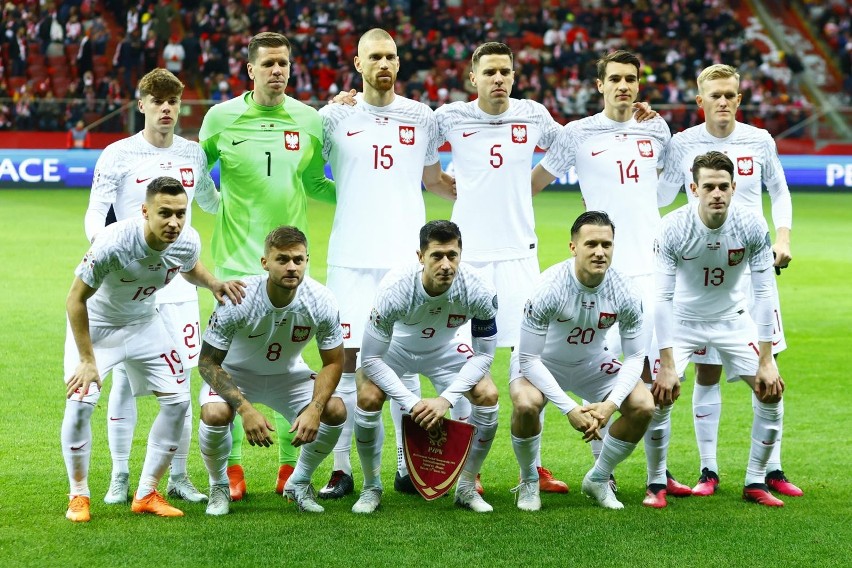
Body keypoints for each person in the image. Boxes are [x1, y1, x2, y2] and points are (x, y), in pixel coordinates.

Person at [530, 50, 690, 505]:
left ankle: (658, 478)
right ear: (599, 85)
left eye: (631, 78)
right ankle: (605, 472)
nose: (624, 85)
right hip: (601, 270)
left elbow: (664, 191)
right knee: (611, 372)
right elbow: (535, 182)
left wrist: (658, 131)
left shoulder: (656, 129)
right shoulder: (577, 133)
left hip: (651, 267)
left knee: (656, 375)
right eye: (615, 79)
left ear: (639, 84)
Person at [317, 28, 456, 500]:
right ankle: (341, 471)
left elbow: (435, 178)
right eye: (375, 56)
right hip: (350, 257)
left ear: (399, 63)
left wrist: (489, 187)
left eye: (391, 57)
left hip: (403, 259)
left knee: (405, 360)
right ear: (357, 63)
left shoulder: (422, 116)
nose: (384, 64)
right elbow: (312, 175)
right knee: (344, 360)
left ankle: (407, 465)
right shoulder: (332, 117)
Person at [198, 31, 336, 501]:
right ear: (251, 70)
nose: (278, 71)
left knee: (286, 359)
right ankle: (233, 470)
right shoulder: (220, 118)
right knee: (234, 362)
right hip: (237, 262)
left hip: (289, 263)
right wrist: (220, 209)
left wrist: (365, 198)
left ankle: (286, 466)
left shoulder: (308, 119)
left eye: (284, 63)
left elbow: (317, 183)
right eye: (269, 64)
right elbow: (199, 174)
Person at [62, 177, 244, 522]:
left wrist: (213, 283)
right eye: (164, 214)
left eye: (180, 214)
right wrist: (87, 358)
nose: (174, 222)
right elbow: (75, 299)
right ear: (145, 211)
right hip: (98, 328)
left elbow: (189, 267)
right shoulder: (112, 243)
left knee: (177, 401)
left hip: (145, 323)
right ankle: (79, 496)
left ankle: (147, 492)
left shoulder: (187, 239)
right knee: (80, 403)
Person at [657, 64, 800, 498]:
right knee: (706, 372)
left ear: (739, 98)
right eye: (715, 95)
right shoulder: (683, 144)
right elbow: (662, 195)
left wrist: (782, 236)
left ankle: (770, 470)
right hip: (700, 268)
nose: (723, 101)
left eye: (730, 94)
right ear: (701, 101)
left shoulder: (759, 140)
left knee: (769, 370)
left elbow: (780, 189)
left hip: (750, 262)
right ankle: (708, 469)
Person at [433, 41, 569, 494]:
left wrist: (529, 185)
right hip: (467, 260)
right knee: (466, 363)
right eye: (489, 71)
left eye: (505, 72)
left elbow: (567, 145)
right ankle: (470, 469)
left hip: (518, 256)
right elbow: (421, 157)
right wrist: (455, 190)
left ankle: (535, 466)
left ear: (514, 75)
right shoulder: (450, 117)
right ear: (473, 78)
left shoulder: (532, 114)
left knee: (530, 360)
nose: (498, 79)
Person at [86, 68, 219, 507]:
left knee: (179, 380)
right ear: (141, 104)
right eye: (156, 101)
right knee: (124, 381)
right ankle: (120, 475)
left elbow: (212, 203)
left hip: (178, 285)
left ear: (180, 106)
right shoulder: (117, 154)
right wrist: (108, 253)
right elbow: (95, 215)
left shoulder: (193, 154)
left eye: (173, 102)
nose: (166, 109)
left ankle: (176, 476)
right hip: (129, 287)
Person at [655, 151, 786, 507]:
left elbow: (763, 292)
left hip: (732, 320)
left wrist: (767, 356)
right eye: (709, 186)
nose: (716, 193)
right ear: (694, 188)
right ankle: (658, 482)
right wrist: (666, 363)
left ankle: (756, 480)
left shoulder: (751, 225)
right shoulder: (673, 226)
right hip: (682, 321)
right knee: (658, 394)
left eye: (723, 186)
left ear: (733, 187)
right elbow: (662, 298)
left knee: (771, 390)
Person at [351, 220, 499, 514]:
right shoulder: (395, 288)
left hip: (445, 349)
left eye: (452, 255)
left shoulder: (480, 289)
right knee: (368, 397)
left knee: (488, 394)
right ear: (420, 256)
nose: (446, 264)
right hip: (396, 350)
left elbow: (485, 356)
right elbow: (369, 359)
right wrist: (411, 402)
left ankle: (466, 488)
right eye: (436, 256)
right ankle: (371, 487)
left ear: (460, 254)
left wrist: (446, 399)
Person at [197, 226, 346, 515]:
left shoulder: (321, 300)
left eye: (298, 260)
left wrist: (315, 408)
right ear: (265, 263)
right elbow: (207, 362)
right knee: (214, 414)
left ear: (306, 260)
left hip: (288, 376)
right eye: (282, 259)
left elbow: (334, 362)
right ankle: (218, 486)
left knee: (335, 409)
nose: (292, 267)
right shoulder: (238, 298)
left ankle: (299, 483)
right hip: (236, 375)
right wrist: (244, 409)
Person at [512, 211, 654, 511]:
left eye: (607, 244)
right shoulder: (549, 286)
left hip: (593, 363)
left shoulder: (626, 291)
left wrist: (610, 404)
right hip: (541, 362)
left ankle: (599, 478)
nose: (600, 252)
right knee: (526, 405)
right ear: (573, 247)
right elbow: (527, 358)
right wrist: (569, 408)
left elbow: (635, 357)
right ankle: (528, 480)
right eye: (591, 244)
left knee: (643, 405)